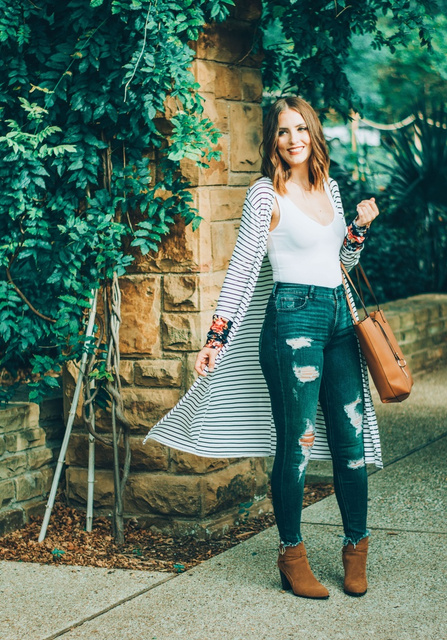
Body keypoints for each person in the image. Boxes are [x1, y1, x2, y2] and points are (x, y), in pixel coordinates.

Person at [144, 96, 382, 600]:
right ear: (271, 141)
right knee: (298, 444)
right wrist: (216, 337)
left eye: (301, 129)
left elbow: (340, 258)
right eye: (282, 132)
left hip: (340, 316)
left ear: (313, 133)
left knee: (351, 442)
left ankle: (356, 547)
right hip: (293, 320)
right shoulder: (263, 194)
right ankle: (292, 556)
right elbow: (244, 270)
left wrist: (357, 228)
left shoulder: (331, 188)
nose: (293, 139)